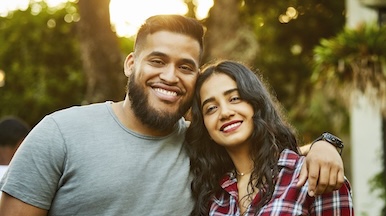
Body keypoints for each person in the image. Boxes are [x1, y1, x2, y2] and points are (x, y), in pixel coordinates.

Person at [0, 14, 344, 215]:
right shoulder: (60, 132)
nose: (170, 76)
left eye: (186, 67)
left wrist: (325, 144)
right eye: (158, 60)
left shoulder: (201, 148)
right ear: (131, 63)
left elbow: (267, 157)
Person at [186, 60, 354, 215]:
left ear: (256, 103)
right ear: (205, 126)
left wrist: (326, 144)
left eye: (235, 98)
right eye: (211, 108)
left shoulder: (313, 174)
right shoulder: (214, 197)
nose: (224, 112)